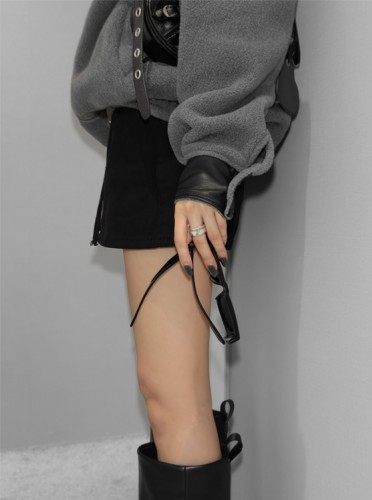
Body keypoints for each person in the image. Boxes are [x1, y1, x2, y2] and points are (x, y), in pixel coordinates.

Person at [70, 0, 298, 498]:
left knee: (171, 394)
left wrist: (212, 152)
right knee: (165, 388)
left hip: (184, 123)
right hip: (153, 114)